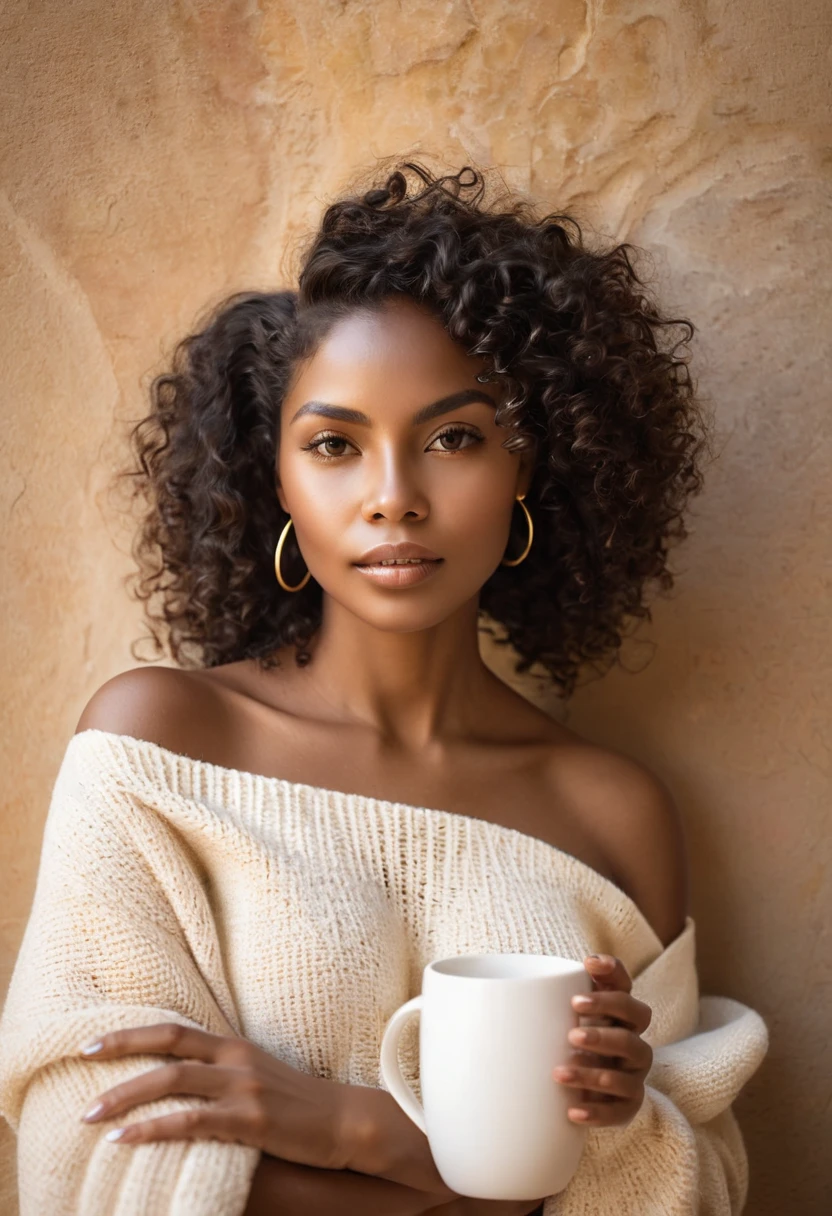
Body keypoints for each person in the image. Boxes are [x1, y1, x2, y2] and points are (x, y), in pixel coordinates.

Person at [0, 163, 768, 1215]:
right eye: (334, 445)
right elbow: (87, 1140)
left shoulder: (613, 813)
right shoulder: (159, 746)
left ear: (527, 466)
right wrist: (484, 1180)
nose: (394, 499)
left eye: (454, 438)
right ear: (274, 478)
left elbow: (683, 1177)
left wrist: (349, 1126)